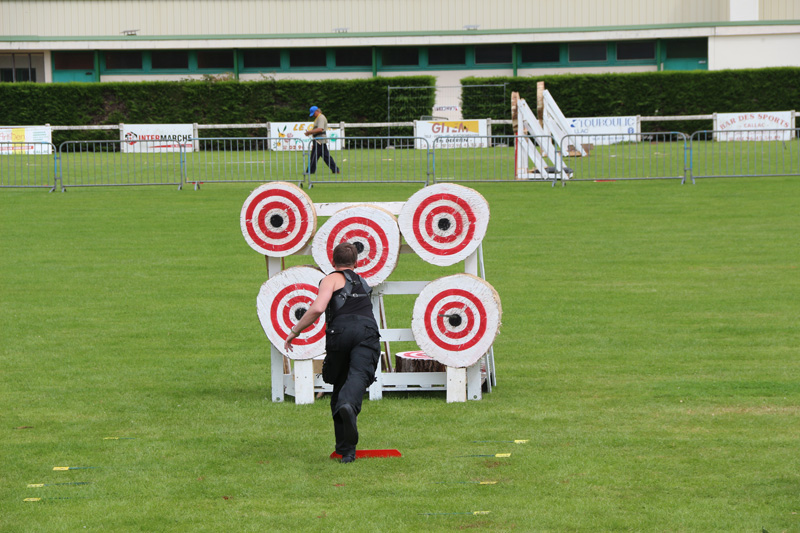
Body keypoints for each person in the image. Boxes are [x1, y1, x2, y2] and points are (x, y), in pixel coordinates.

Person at [284, 242, 380, 463]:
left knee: (338, 382)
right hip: (367, 332)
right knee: (357, 376)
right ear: (356, 262)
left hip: (341, 331)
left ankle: (346, 450)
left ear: (332, 261)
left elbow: (318, 308)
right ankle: (348, 410)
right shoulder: (363, 282)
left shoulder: (330, 278)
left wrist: (294, 331)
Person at [304, 105, 340, 175]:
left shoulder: (321, 118)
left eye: (314, 114)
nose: (313, 116)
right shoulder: (319, 117)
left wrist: (309, 132)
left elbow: (320, 129)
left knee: (314, 156)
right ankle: (335, 170)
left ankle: (310, 171)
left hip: (319, 140)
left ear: (317, 111)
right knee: (326, 156)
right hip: (319, 139)